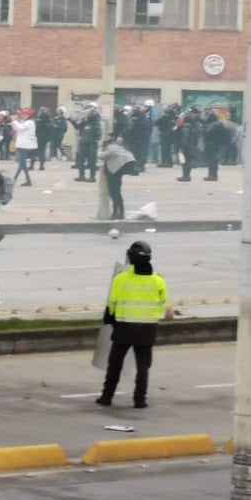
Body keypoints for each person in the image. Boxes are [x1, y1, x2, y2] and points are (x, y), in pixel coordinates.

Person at [96, 241, 171, 409]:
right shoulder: (158, 280)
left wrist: (110, 318)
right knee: (143, 366)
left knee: (115, 364)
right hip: (147, 329)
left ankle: (107, 397)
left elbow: (112, 303)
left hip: (124, 328)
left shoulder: (121, 278)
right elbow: (162, 304)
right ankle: (140, 400)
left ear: (130, 257)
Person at [100, 132, 135, 221]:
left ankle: (116, 213)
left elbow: (102, 156)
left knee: (114, 193)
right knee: (117, 192)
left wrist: (101, 151)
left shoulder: (111, 147)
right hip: (120, 169)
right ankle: (121, 212)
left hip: (115, 171)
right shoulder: (120, 147)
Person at [12, 109, 37, 185]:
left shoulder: (29, 122)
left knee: (22, 163)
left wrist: (14, 121)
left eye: (24, 114)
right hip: (23, 144)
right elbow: (17, 128)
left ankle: (28, 179)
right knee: (21, 163)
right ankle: (15, 178)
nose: (22, 115)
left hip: (25, 145)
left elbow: (20, 128)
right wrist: (15, 121)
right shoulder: (26, 122)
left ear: (28, 115)